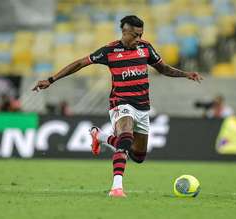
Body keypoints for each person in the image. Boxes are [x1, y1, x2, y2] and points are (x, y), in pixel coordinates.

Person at [32, 15, 203, 197]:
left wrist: (186, 74)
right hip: (121, 103)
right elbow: (80, 63)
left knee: (138, 156)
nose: (138, 39)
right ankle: (117, 188)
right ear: (125, 32)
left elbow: (163, 69)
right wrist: (51, 79)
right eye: (135, 35)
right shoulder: (109, 50)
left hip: (143, 107)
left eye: (141, 35)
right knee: (125, 138)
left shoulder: (145, 48)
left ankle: (100, 136)